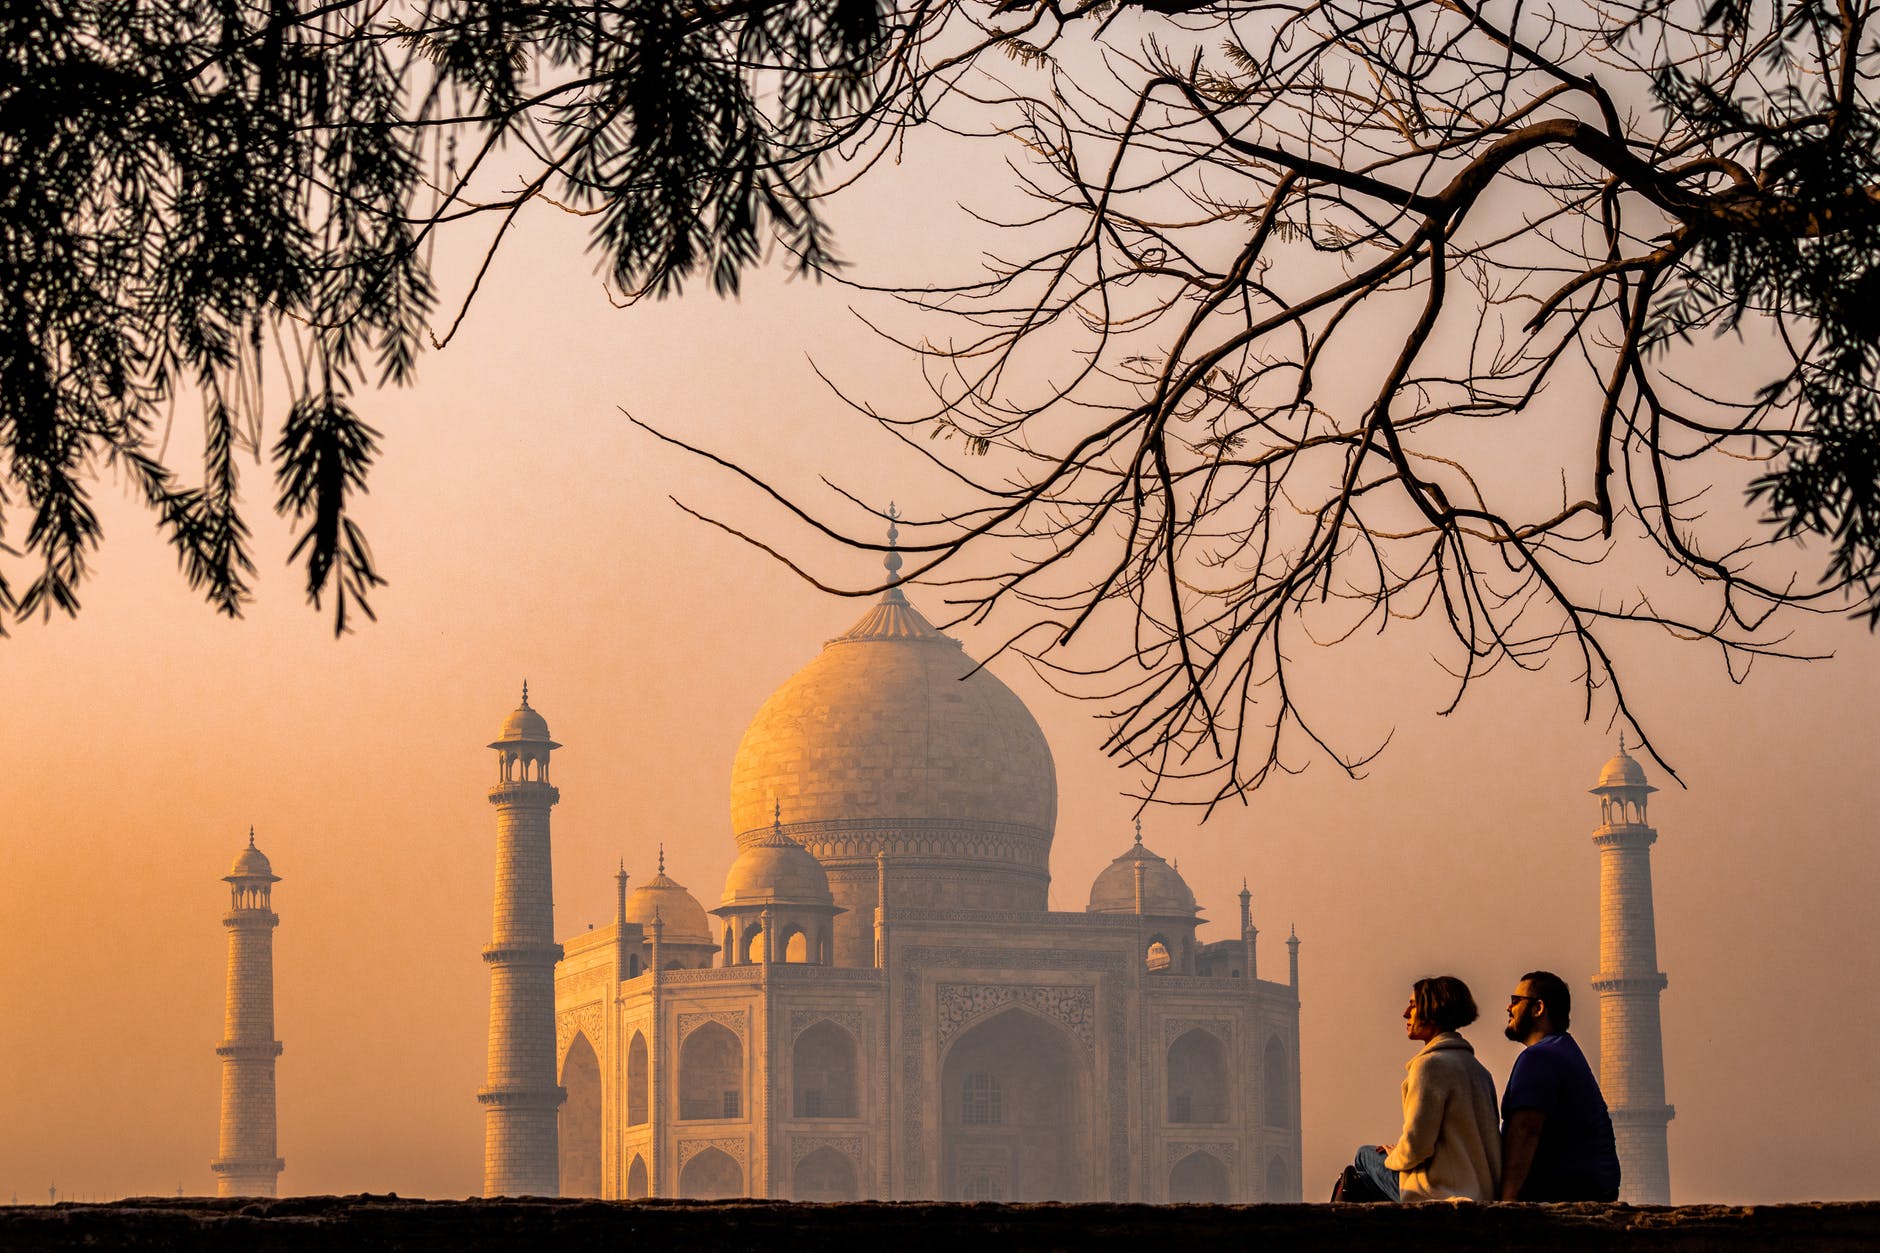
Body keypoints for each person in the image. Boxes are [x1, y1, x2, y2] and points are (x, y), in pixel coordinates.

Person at [1349, 975, 1503, 1201]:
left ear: (1432, 1010)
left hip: (1440, 1194)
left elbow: (1417, 1146)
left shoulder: (1429, 1066)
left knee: (1364, 1156)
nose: (1405, 1014)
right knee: (1363, 1177)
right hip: (1481, 1193)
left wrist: (1395, 1155)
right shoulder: (1479, 1071)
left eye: (1413, 1006)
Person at [1499, 970, 1622, 1201]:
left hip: (1561, 1197)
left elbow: (1526, 1130)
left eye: (1516, 1001)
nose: (1509, 1008)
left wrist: (1507, 1201)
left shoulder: (1540, 1058)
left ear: (1538, 1008)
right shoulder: (1564, 1052)